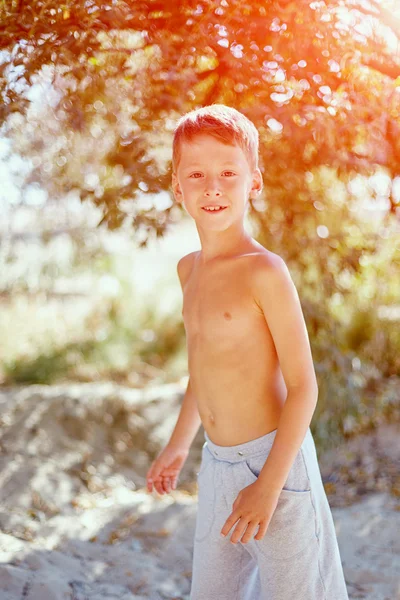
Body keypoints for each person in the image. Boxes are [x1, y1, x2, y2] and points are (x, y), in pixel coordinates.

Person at [146, 104, 349, 600]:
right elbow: (204, 368)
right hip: (218, 466)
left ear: (253, 182)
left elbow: (305, 387)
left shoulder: (264, 271)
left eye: (228, 173)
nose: (212, 186)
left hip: (276, 465)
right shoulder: (188, 270)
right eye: (196, 174)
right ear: (177, 185)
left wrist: (269, 486)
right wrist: (178, 446)